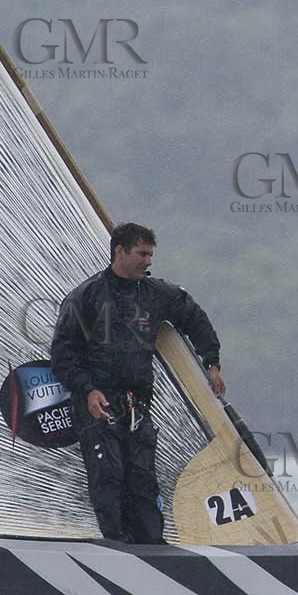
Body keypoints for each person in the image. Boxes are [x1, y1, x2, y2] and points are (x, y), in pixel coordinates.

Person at [50, 223, 224, 543]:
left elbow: (195, 318)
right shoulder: (86, 295)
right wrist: (86, 390)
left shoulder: (157, 294)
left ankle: (151, 548)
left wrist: (211, 363)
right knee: (109, 476)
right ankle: (116, 544)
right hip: (97, 403)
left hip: (137, 402)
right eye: (142, 254)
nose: (148, 261)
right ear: (120, 251)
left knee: (143, 478)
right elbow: (61, 352)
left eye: (150, 255)